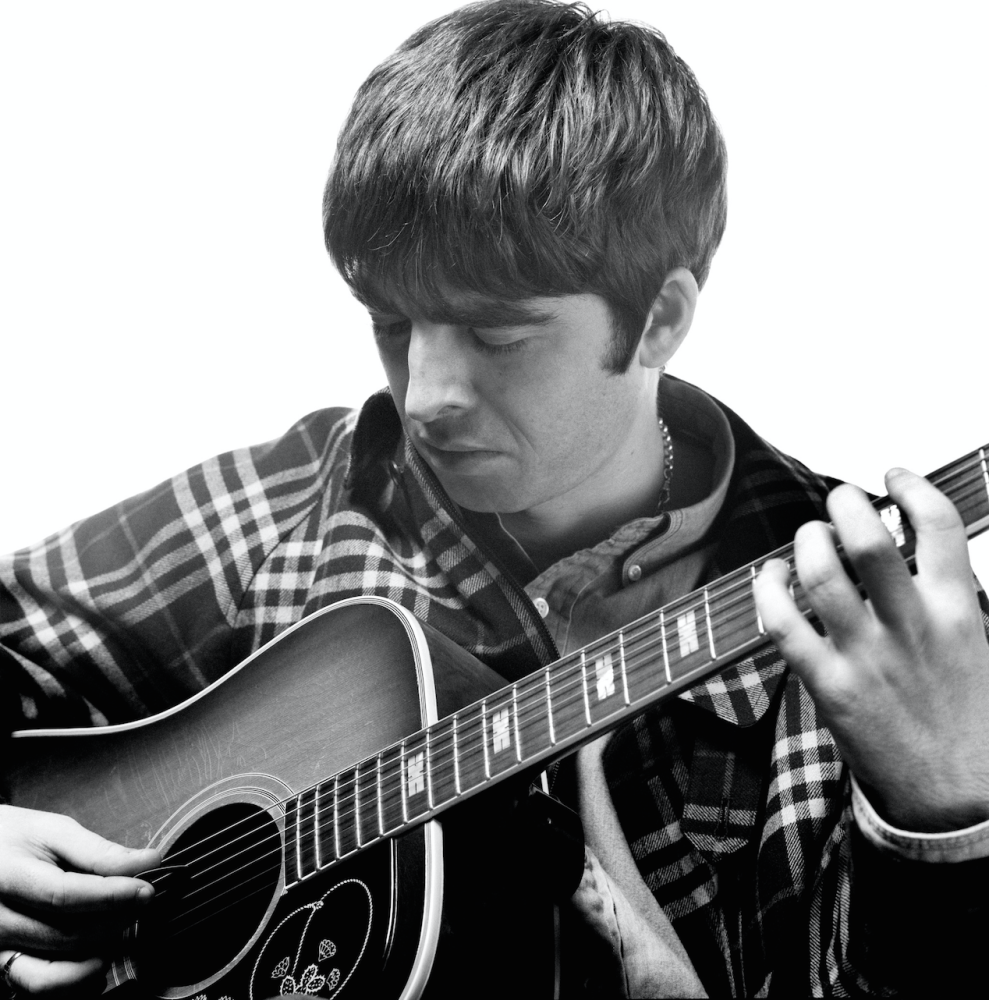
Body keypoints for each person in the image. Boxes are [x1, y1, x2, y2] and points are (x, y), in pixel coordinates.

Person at [1, 1, 988, 995]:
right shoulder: (305, 503)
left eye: (497, 336)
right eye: (392, 324)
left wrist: (941, 816)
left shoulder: (885, 625)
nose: (424, 397)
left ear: (658, 318)